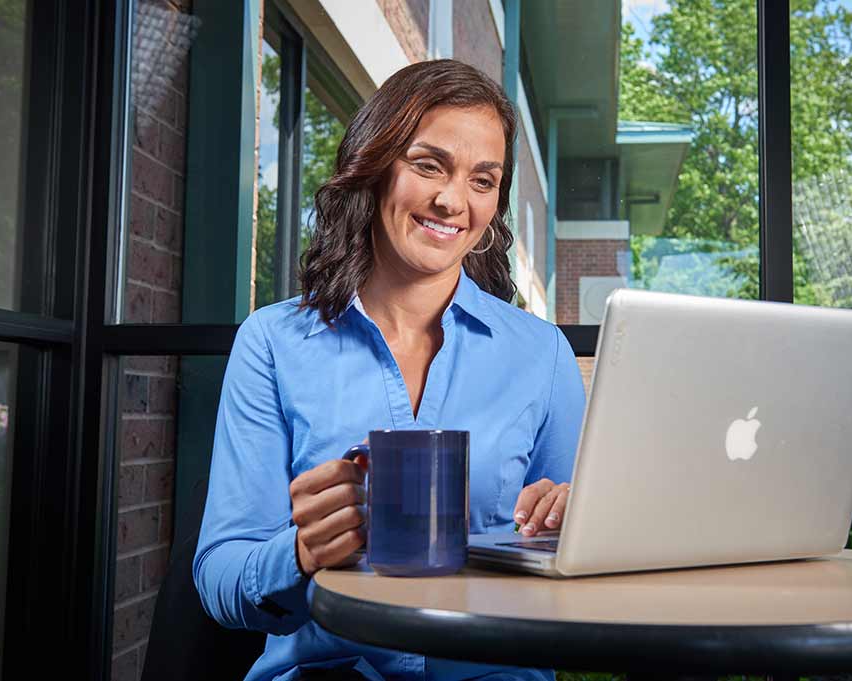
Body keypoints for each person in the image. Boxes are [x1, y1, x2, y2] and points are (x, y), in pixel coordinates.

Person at [193, 59, 586, 681]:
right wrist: (298, 554)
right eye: (428, 165)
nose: (453, 200)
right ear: (375, 169)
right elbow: (219, 579)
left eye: (483, 181)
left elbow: (581, 573)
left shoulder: (542, 356)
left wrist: (571, 520)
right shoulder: (273, 342)